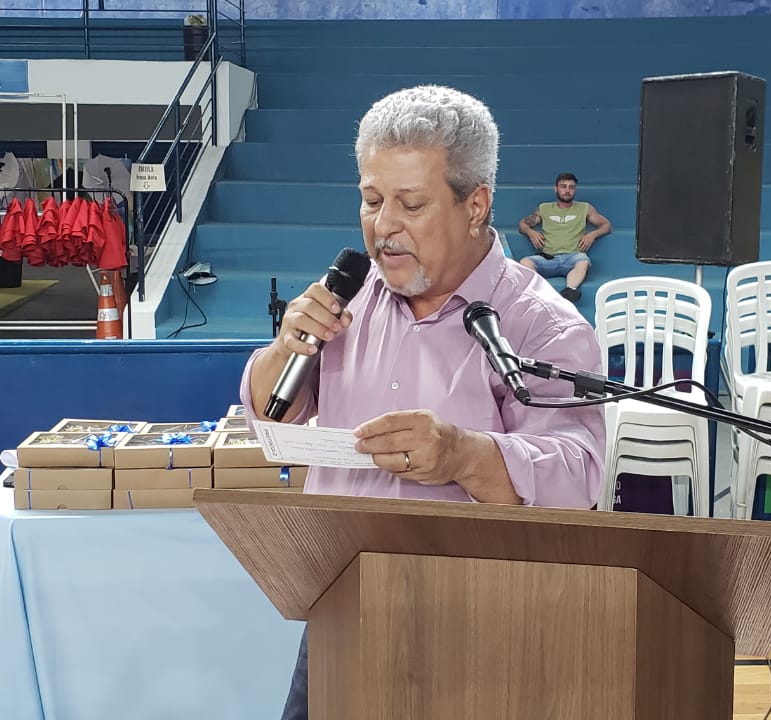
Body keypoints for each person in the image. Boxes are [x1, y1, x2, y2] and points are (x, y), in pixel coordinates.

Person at [238, 85, 606, 720]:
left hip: (481, 632)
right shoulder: (346, 297)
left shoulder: (543, 326)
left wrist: (465, 456)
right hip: (341, 609)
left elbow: (579, 474)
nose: (384, 226)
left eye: (410, 205)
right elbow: (272, 416)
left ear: (475, 205)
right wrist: (284, 348)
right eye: (371, 200)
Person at [517, 173, 613, 302]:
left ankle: (570, 291)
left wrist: (592, 235)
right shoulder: (544, 208)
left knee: (583, 261)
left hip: (573, 257)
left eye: (571, 187)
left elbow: (606, 225)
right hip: (548, 258)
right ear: (555, 188)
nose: (567, 190)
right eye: (563, 186)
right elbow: (522, 224)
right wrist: (531, 233)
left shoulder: (585, 208)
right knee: (525, 262)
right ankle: (537, 292)